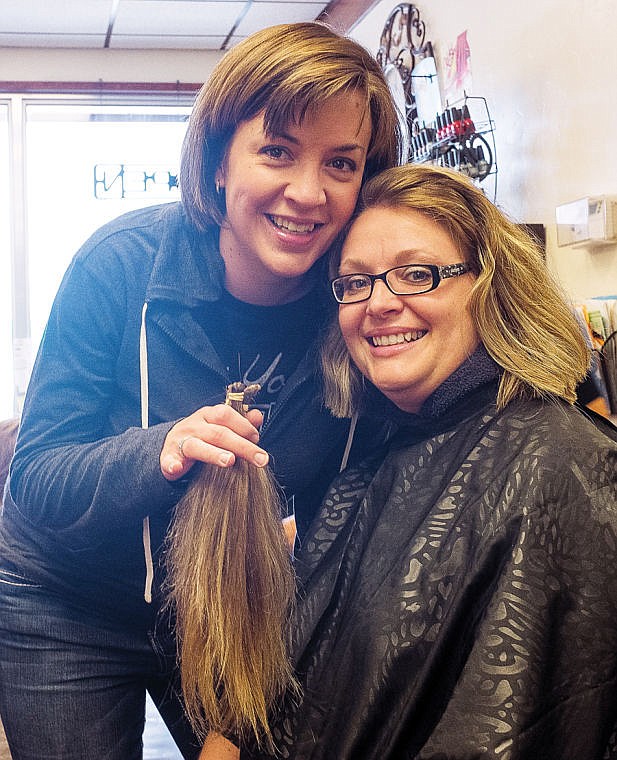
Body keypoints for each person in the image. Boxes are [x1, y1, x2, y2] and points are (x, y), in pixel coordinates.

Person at [0, 21, 402, 760]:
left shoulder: (359, 306)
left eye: (341, 164)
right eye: (276, 151)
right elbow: (37, 483)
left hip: (227, 607)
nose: (308, 193)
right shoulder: (119, 266)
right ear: (218, 162)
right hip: (65, 603)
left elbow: (343, 523)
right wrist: (166, 449)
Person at [237, 164, 617, 760]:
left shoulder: (561, 465)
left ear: (491, 286)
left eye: (418, 274)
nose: (379, 304)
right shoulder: (373, 459)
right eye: (355, 282)